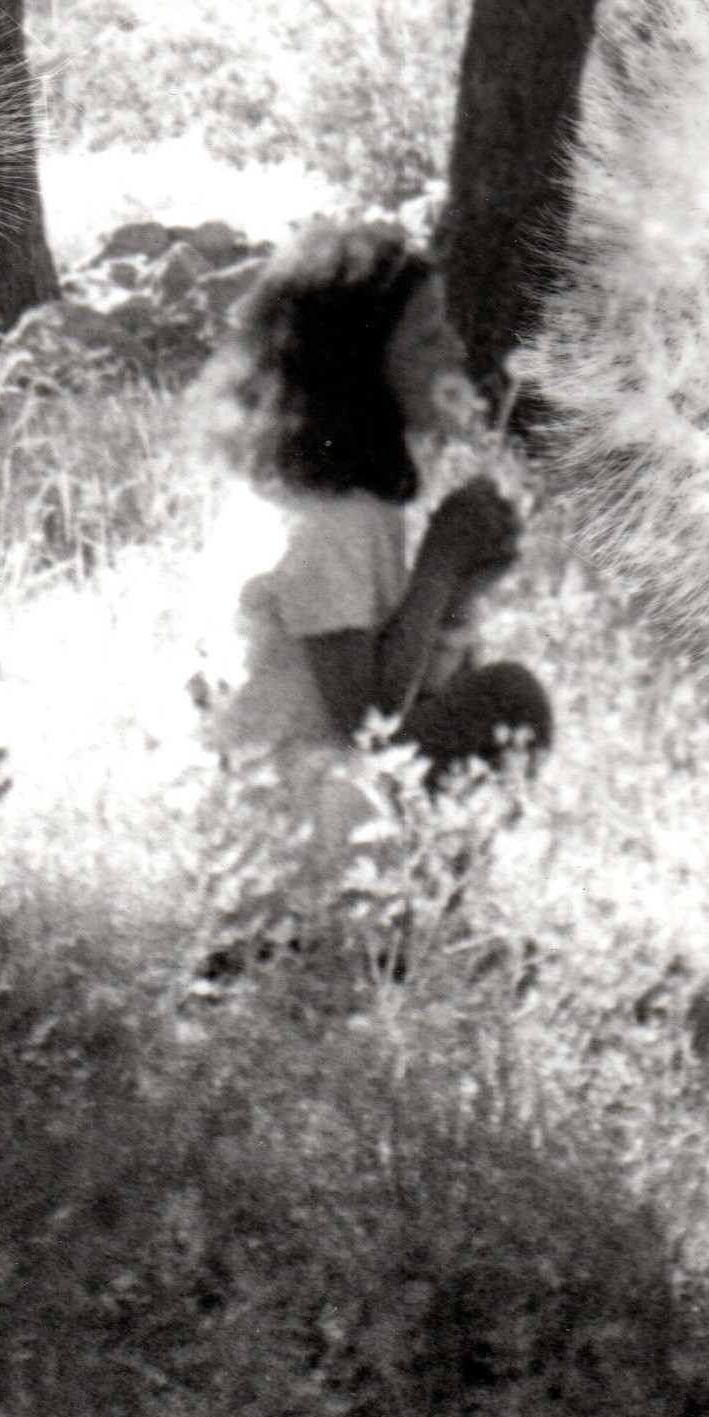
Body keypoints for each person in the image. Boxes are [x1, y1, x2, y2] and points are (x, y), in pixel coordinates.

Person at [194, 220, 552, 972]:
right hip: (289, 821)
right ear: (356, 368)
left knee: (483, 694)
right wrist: (437, 567)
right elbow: (371, 724)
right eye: (426, 339)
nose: (455, 352)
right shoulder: (333, 520)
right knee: (509, 701)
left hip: (284, 811)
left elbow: (406, 685)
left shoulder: (332, 496)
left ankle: (415, 925)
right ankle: (388, 937)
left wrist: (455, 593)